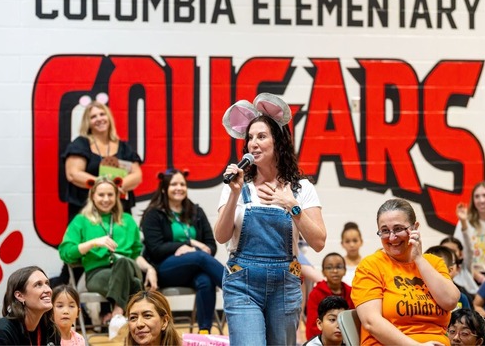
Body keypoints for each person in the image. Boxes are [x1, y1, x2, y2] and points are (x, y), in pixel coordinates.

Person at [215, 93, 326, 345]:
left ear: (278, 142)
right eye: (250, 138)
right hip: (242, 282)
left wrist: (292, 206)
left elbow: (319, 242)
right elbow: (221, 236)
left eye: (261, 136)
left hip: (285, 285)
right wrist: (233, 195)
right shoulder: (237, 185)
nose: (253, 144)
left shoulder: (301, 189)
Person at [57, 100, 143, 288]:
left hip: (117, 209)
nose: (99, 119)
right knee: (77, 264)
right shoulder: (81, 144)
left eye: (102, 114)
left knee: (120, 257)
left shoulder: (123, 146)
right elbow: (73, 173)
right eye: (93, 116)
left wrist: (115, 188)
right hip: (87, 210)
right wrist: (103, 185)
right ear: (87, 121)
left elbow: (137, 176)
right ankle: (60, 297)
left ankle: (109, 312)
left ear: (109, 117)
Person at [351, 198, 459, 346]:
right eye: (384, 231)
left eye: (398, 229)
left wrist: (419, 259)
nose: (392, 237)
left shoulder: (434, 263)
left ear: (415, 228)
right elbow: (371, 322)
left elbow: (450, 301)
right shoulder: (370, 266)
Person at [141, 169, 225, 334]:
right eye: (174, 184)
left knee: (205, 280)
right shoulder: (153, 214)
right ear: (164, 188)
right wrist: (187, 244)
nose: (179, 187)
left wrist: (193, 250)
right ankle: (236, 287)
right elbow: (156, 249)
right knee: (199, 257)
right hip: (164, 269)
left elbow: (210, 246)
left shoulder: (196, 212)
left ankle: (204, 333)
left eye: (182, 184)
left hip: (193, 269)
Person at [59, 177, 144, 322]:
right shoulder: (81, 220)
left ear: (116, 196)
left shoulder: (127, 220)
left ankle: (117, 312)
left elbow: (136, 253)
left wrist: (151, 269)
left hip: (128, 267)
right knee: (135, 284)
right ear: (92, 196)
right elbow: (66, 253)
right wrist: (93, 243)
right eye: (101, 195)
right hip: (97, 274)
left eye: (110, 195)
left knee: (124, 262)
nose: (106, 199)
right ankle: (125, 317)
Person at [0, 266, 60, 345]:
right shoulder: (1, 332)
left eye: (47, 283)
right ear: (20, 296)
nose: (48, 290)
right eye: (38, 285)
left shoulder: (50, 330)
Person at [306, 253, 354, 340]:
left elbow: (354, 321)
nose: (334, 271)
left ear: (345, 270)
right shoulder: (316, 293)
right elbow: (312, 325)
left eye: (339, 267)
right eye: (329, 267)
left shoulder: (351, 292)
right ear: (323, 272)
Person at [425, 245, 472, 310]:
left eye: (436, 270)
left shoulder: (461, 298)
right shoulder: (420, 296)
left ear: (449, 270)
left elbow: (468, 318)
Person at [340, 222, 363, 286]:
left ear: (361, 242)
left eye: (355, 241)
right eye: (347, 241)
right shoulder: (339, 265)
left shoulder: (367, 264)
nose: (352, 245)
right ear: (342, 244)